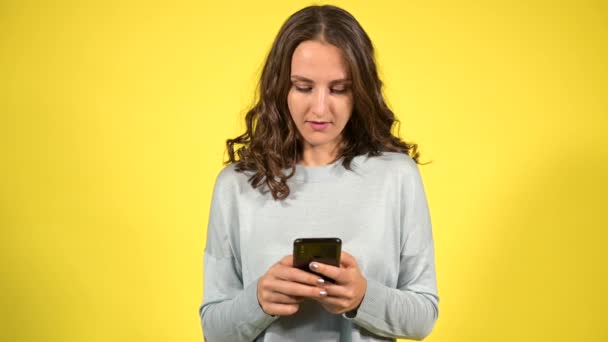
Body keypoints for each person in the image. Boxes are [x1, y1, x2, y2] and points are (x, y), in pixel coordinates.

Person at [199, 5, 438, 341]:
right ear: (280, 88)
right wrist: (259, 301)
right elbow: (213, 329)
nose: (320, 108)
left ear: (360, 92)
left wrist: (362, 297)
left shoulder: (396, 176)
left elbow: (423, 316)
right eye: (303, 86)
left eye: (339, 89)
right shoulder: (236, 185)